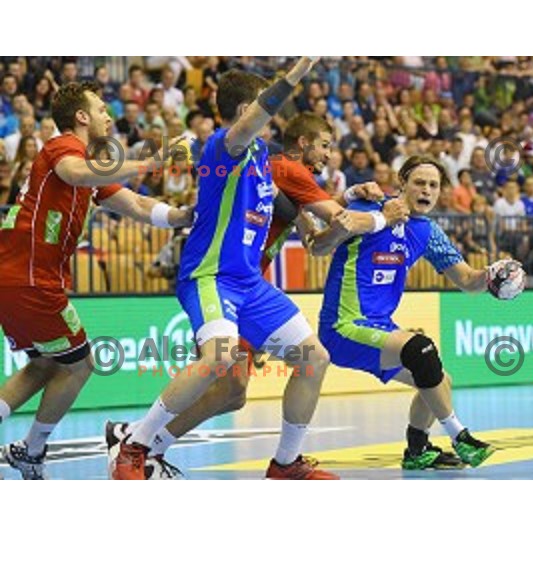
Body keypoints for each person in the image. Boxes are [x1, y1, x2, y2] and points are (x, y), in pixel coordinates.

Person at [105, 104, 409, 479]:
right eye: (325, 145)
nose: (330, 154)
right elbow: (333, 219)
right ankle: (139, 443)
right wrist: (381, 215)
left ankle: (140, 439)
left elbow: (316, 243)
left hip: (253, 288)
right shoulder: (283, 166)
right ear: (302, 143)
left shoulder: (277, 173)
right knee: (226, 380)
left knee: (236, 391)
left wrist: (346, 200)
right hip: (224, 281)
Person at [0, 82, 192, 480]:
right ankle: (32, 452)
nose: (109, 115)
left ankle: (29, 451)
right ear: (81, 116)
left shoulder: (89, 170)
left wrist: (183, 216)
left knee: (42, 366)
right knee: (80, 366)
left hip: (20, 278)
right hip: (33, 280)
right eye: (101, 109)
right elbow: (74, 171)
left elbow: (137, 204)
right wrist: (148, 163)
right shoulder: (63, 149)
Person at [316, 155, 526, 469]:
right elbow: (320, 231)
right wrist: (349, 197)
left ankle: (417, 451)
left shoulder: (427, 232)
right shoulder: (371, 210)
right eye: (419, 183)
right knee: (422, 351)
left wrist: (492, 275)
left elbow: (467, 280)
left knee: (440, 381)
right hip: (343, 326)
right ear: (401, 184)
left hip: (379, 328)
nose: (426, 190)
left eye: (433, 185)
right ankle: (460, 436)